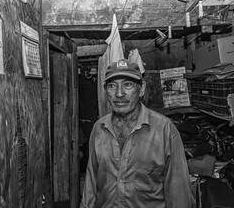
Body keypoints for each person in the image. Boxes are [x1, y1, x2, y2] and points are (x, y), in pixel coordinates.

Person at [80, 59, 195, 208]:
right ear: (105, 91)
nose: (119, 93)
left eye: (128, 85)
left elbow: (178, 191)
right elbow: (91, 182)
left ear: (141, 89)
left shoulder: (164, 129)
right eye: (112, 86)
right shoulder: (99, 128)